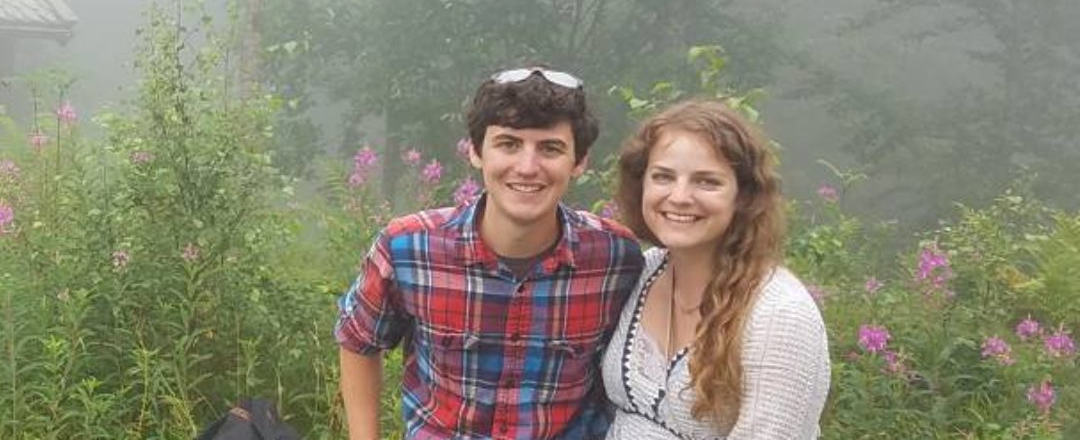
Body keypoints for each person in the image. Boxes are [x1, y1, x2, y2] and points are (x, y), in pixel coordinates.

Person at [335, 67, 645, 439]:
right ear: (475, 151)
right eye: (509, 144)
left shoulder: (615, 259)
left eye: (550, 148)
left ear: (579, 162)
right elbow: (358, 341)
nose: (527, 167)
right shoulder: (408, 249)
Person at [600, 99, 830, 438]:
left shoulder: (780, 314)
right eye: (663, 176)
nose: (679, 196)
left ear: (743, 196)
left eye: (706, 182)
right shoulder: (644, 271)